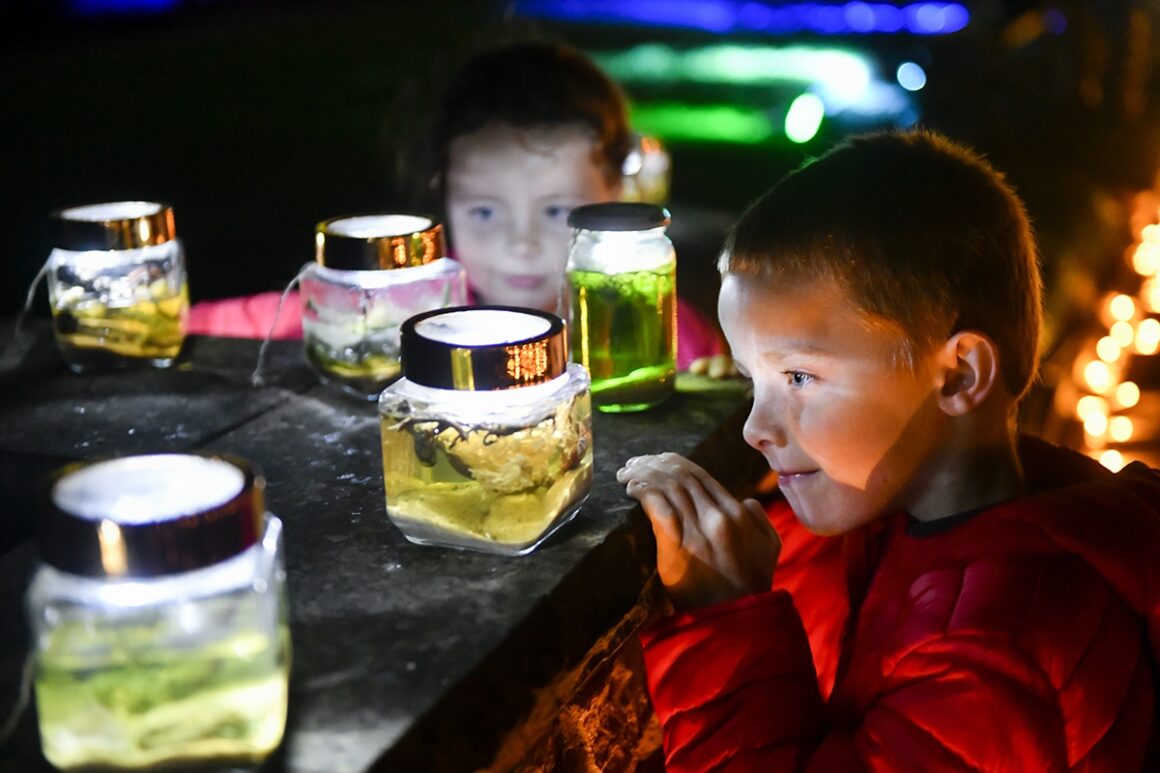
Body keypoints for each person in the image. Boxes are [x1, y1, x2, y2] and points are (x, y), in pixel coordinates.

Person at [617, 129, 1160, 770]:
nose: (752, 428)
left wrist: (725, 624)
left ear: (959, 375)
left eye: (798, 377)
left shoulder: (995, 649)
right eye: (748, 378)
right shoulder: (930, 517)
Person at [187, 40, 724, 370]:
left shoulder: (668, 339)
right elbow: (266, 317)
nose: (520, 244)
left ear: (618, 197)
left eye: (558, 211)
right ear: (444, 194)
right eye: (485, 212)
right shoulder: (408, 306)